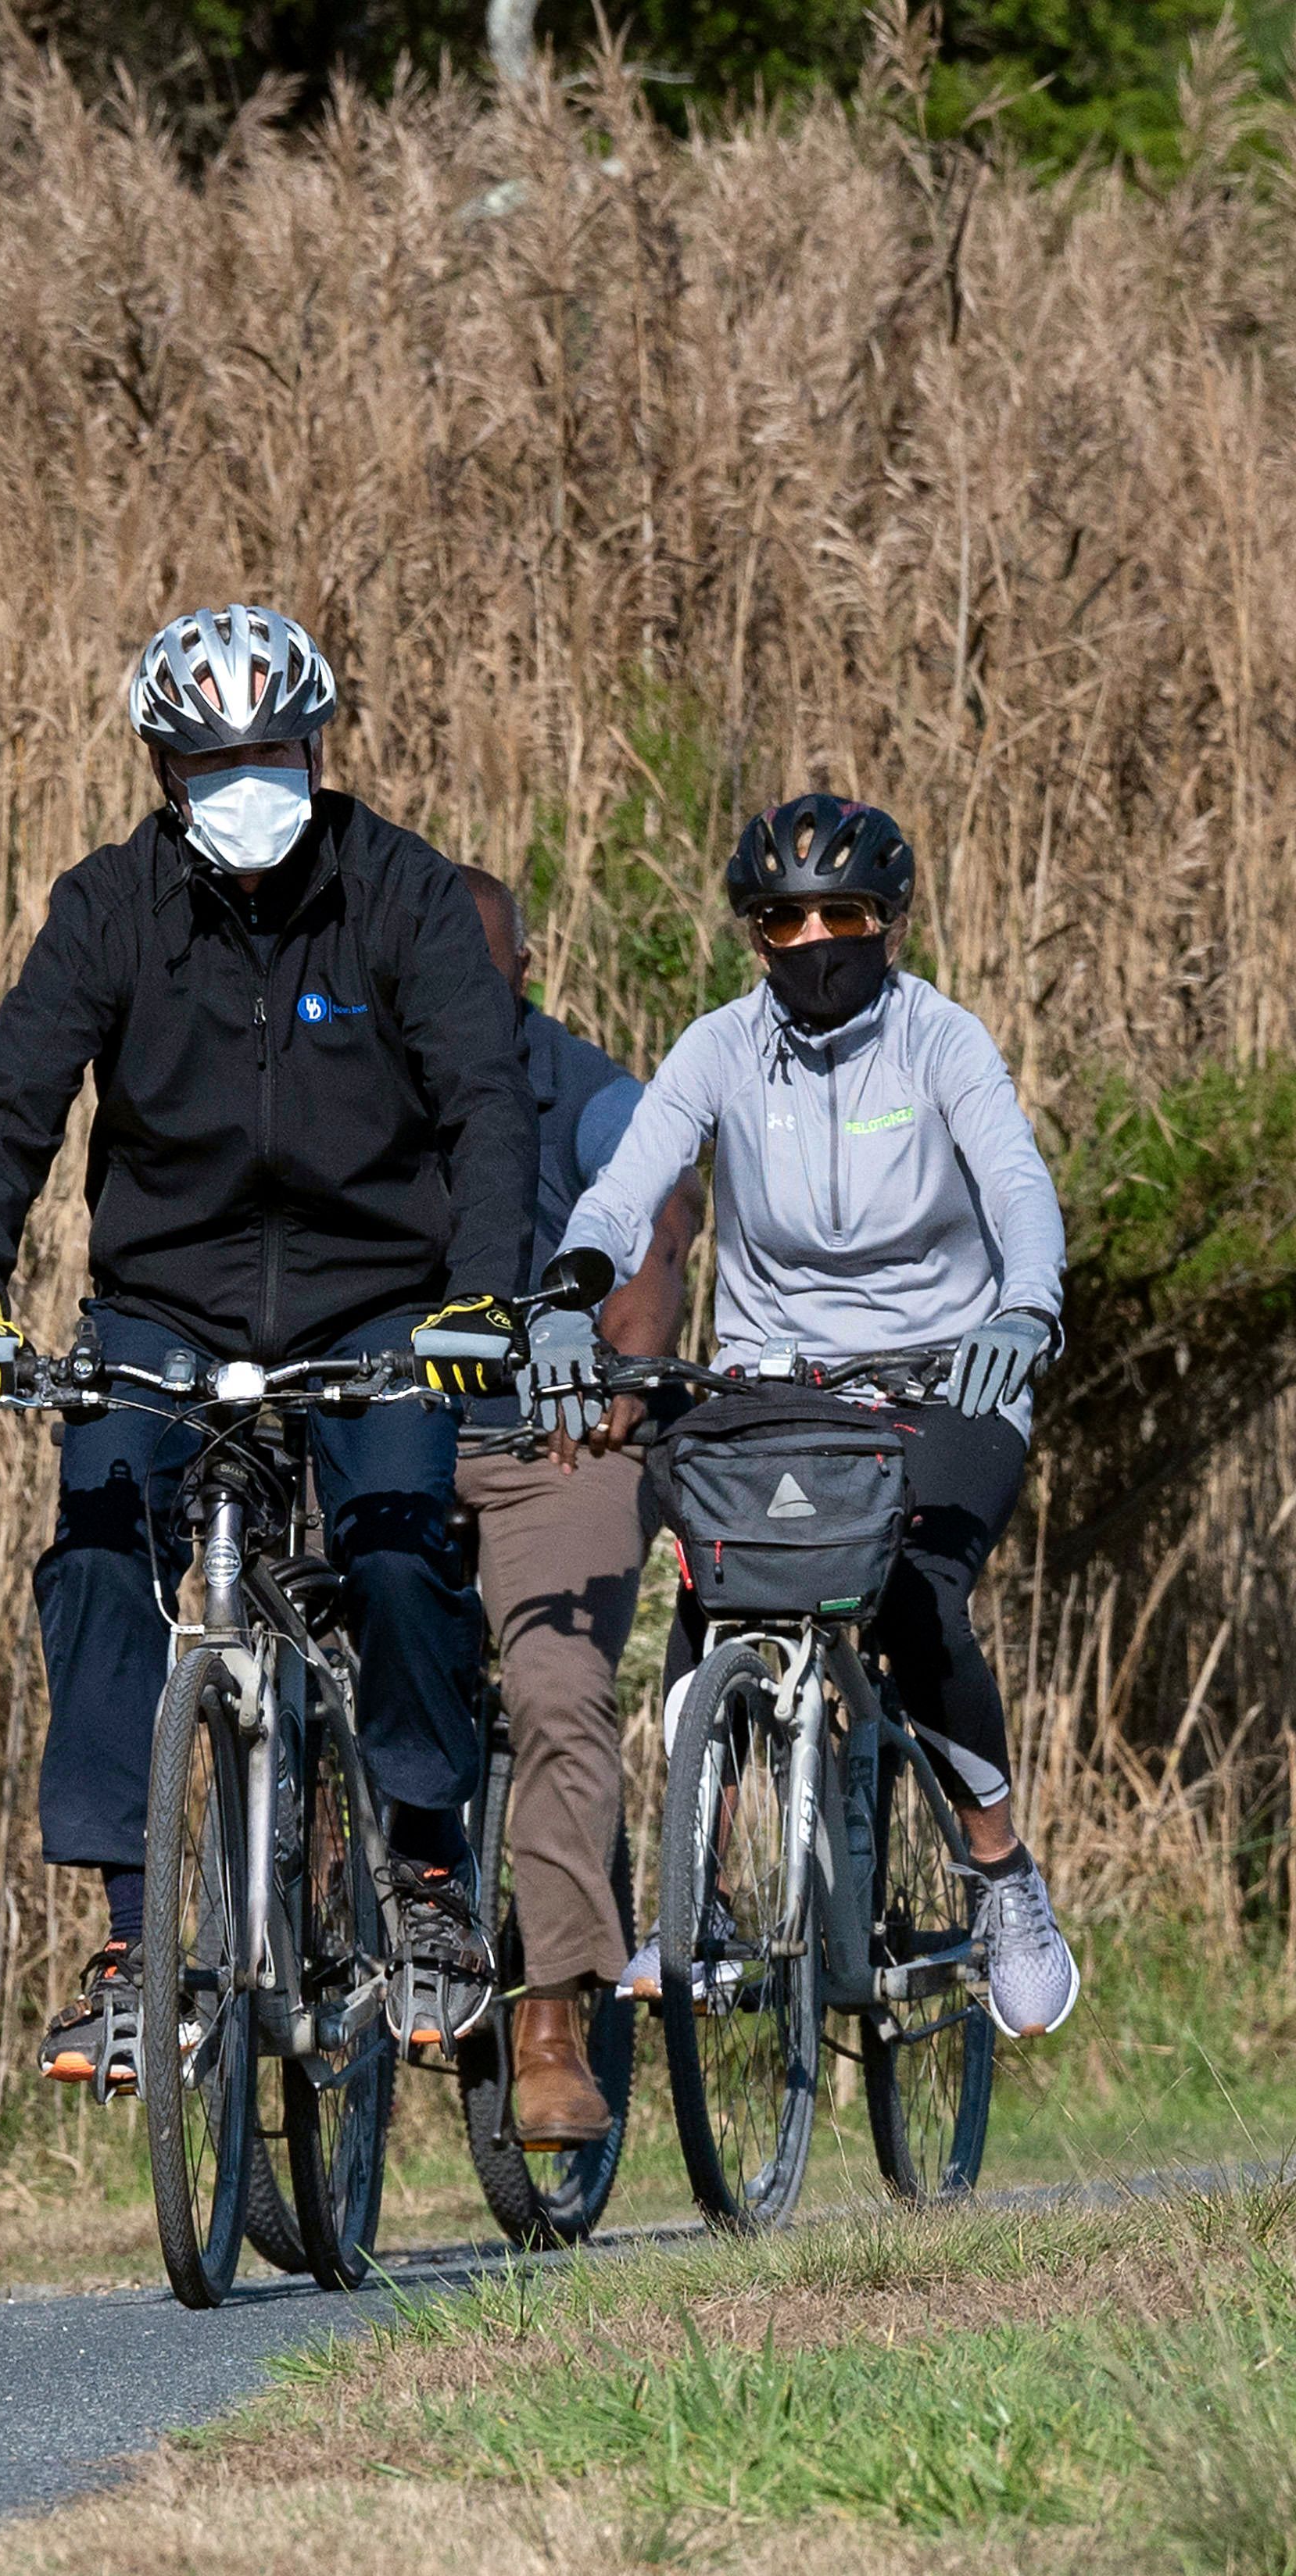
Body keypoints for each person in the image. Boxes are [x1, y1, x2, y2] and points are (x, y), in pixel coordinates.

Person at [0, 605, 533, 2087]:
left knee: (395, 1552)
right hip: (165, 1305)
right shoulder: (110, 904)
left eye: (269, 751)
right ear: (160, 765)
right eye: (209, 759)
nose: (243, 781)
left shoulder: (399, 890)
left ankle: (432, 1879)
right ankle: (137, 1939)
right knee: (91, 1546)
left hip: (377, 1298)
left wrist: (478, 1296)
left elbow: (485, 1104)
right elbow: (12, 1101)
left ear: (316, 750)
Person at [528, 793, 1084, 2038]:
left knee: (917, 1597)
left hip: (950, 1372)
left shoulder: (943, 1042)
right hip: (774, 1379)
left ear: (889, 923)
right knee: (711, 1586)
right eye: (784, 919)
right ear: (754, 934)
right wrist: (570, 1293)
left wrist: (1023, 1307)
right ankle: (702, 1905)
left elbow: (1017, 1185)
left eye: (844, 915)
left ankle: (1002, 1878)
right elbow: (629, 1187)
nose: (815, 939)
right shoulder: (721, 1047)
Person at [447, 865, 702, 2149]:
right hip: (390, 1438)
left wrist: (638, 1325)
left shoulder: (578, 1082)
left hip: (556, 1440)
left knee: (555, 1691)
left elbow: (660, 1188)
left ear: (523, 978)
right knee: (319, 1656)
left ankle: (551, 2019)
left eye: (476, 973)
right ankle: (345, 1945)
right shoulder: (349, 1089)